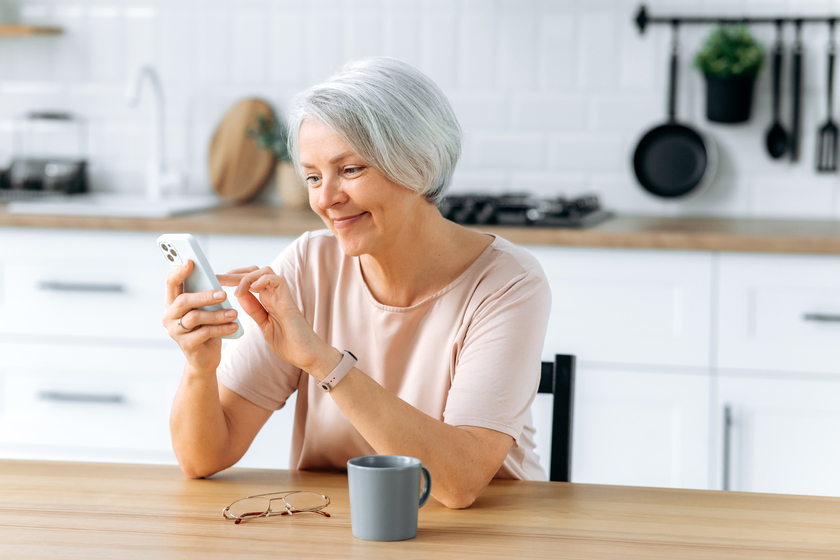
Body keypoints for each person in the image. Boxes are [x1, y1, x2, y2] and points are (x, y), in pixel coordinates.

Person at [163, 57, 551, 509]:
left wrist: (324, 362)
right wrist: (200, 366)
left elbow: (458, 483)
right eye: (312, 176)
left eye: (350, 170)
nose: (326, 199)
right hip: (334, 524)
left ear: (418, 164)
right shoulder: (309, 264)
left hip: (487, 534)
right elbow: (202, 458)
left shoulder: (507, 283)